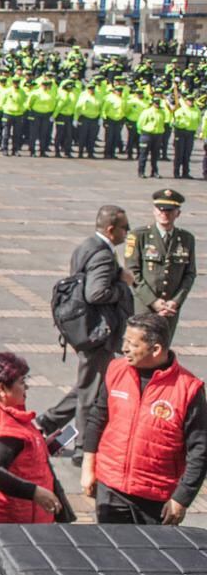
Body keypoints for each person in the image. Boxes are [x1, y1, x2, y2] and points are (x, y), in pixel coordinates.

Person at [81, 313, 206, 525]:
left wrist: (182, 498)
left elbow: (200, 448)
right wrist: (88, 467)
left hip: (157, 496)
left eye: (132, 344)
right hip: (111, 487)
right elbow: (97, 418)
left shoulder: (188, 388)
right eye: (125, 341)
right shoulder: (116, 370)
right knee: (110, 546)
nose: (124, 349)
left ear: (155, 349)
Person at [38, 205, 134, 440]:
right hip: (96, 331)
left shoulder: (87, 246)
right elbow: (96, 293)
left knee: (92, 383)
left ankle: (48, 422)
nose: (127, 232)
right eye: (125, 228)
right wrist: (123, 286)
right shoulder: (103, 254)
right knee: (90, 394)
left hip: (86, 327)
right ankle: (82, 446)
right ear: (111, 229)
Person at [0, 352, 60, 542]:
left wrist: (41, 447)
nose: (26, 387)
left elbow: (15, 454)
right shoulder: (1, 427)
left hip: (4, 520)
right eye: (22, 382)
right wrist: (34, 492)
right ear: (2, 388)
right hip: (12, 526)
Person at [127, 188, 196, 341]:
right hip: (145, 306)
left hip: (170, 309)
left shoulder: (186, 239)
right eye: (161, 209)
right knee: (141, 346)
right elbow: (132, 272)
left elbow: (189, 274)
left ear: (178, 213)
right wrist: (153, 302)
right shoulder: (140, 236)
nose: (164, 214)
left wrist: (175, 301)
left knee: (163, 347)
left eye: (170, 210)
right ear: (154, 211)